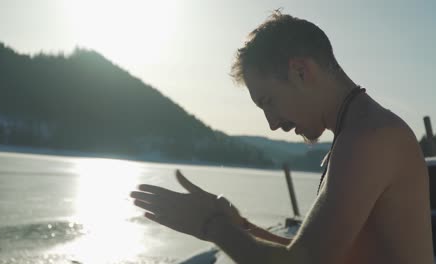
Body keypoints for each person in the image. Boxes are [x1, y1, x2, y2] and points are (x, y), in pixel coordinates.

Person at [130, 11, 434, 264]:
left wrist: (213, 227)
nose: (272, 124)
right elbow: (315, 253)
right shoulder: (357, 135)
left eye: (268, 102)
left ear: (300, 71)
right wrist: (242, 227)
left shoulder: (369, 139)